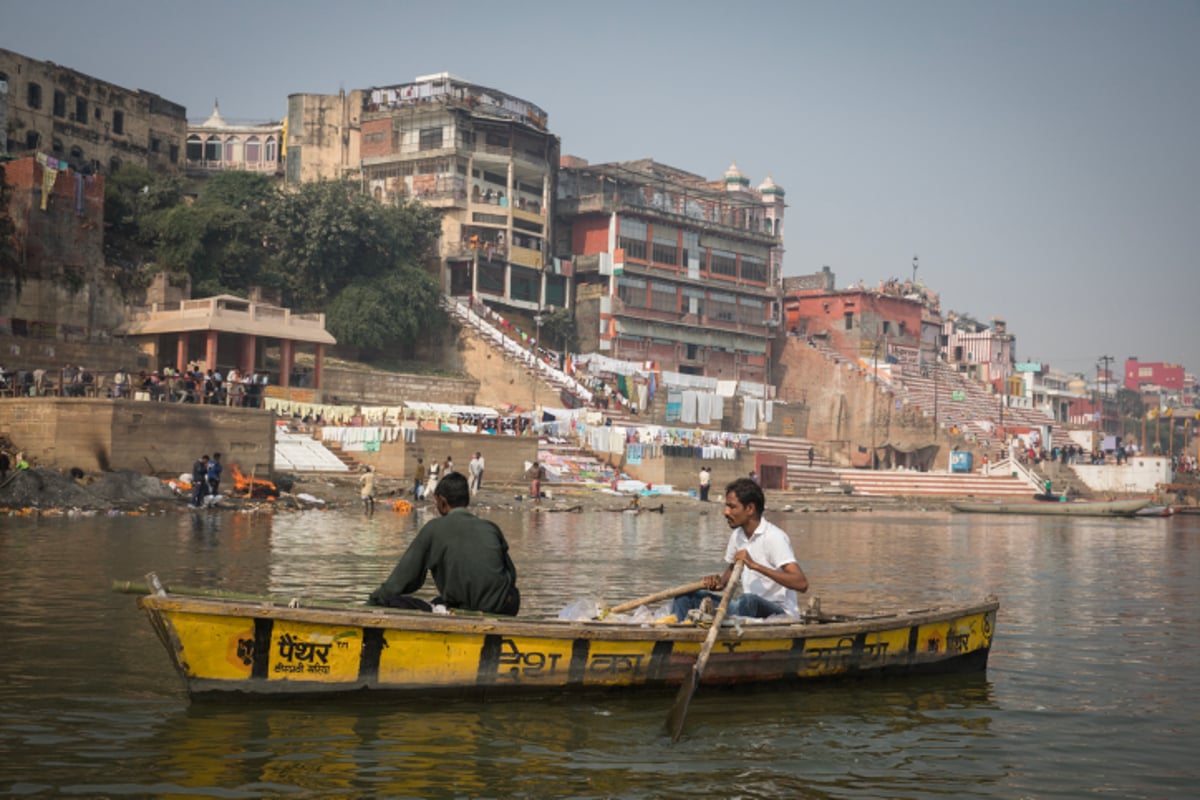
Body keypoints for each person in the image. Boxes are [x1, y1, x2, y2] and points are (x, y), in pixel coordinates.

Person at [368, 472, 520, 615]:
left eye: (436, 502)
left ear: (442, 501)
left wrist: (374, 601)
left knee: (393, 601)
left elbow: (403, 578)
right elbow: (510, 575)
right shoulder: (490, 528)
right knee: (439, 601)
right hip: (503, 607)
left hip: (467, 609)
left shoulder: (433, 529)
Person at [672, 477, 808, 621]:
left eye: (732, 507)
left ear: (750, 509)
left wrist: (755, 566)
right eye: (726, 506)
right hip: (745, 609)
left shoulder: (774, 537)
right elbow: (726, 578)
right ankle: (680, 635)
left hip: (778, 612)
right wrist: (715, 582)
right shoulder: (737, 535)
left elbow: (801, 583)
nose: (725, 512)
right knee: (685, 597)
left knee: (748, 601)